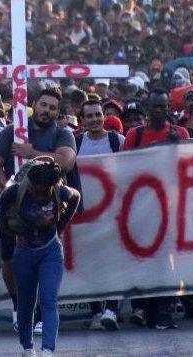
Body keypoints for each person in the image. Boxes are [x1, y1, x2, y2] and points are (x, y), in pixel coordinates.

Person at [0, 88, 77, 333]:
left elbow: (66, 161)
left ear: (58, 113)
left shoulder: (62, 134)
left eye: (52, 108)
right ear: (35, 104)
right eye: (44, 105)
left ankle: (37, 315)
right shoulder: (12, 131)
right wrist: (8, 188)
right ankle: (19, 308)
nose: (47, 111)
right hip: (14, 212)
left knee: (41, 263)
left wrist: (32, 154)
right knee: (10, 260)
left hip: (47, 212)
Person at [0, 158, 80, 357]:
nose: (41, 195)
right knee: (26, 302)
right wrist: (8, 257)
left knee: (48, 299)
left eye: (46, 192)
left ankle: (47, 350)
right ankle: (27, 347)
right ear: (30, 185)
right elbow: (3, 226)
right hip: (23, 253)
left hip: (50, 251)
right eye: (37, 191)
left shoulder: (60, 193)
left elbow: (76, 196)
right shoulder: (13, 193)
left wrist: (61, 226)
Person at [122, 88, 188, 330]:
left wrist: (176, 147)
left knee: (166, 262)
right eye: (155, 106)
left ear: (168, 107)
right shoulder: (134, 135)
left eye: (163, 106)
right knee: (143, 259)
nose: (159, 110)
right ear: (148, 110)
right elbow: (125, 168)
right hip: (142, 209)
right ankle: (145, 308)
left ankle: (163, 310)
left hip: (170, 208)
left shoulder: (179, 133)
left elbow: (187, 168)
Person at [75, 99, 124, 331]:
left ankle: (112, 309)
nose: (95, 119)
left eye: (98, 115)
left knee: (113, 263)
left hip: (113, 214)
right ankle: (96, 310)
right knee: (89, 264)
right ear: (82, 120)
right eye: (90, 116)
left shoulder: (118, 141)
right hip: (86, 216)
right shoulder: (75, 144)